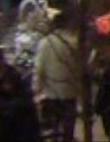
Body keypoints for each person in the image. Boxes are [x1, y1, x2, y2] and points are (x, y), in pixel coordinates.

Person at [32, 10, 83, 142]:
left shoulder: (44, 43)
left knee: (52, 131)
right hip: (70, 93)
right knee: (68, 129)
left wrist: (36, 88)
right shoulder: (74, 42)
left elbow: (38, 69)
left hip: (51, 95)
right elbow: (80, 68)